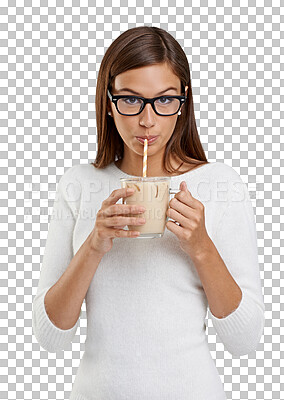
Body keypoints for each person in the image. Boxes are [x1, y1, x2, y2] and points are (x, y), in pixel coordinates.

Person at [32, 26, 265, 400]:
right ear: (108, 102)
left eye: (164, 100)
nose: (147, 120)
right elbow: (51, 338)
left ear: (183, 100)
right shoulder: (78, 184)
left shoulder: (221, 184)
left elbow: (244, 341)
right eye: (130, 100)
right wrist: (93, 246)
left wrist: (201, 246)